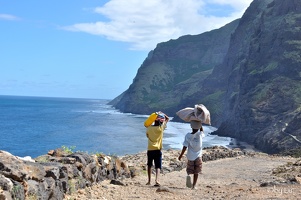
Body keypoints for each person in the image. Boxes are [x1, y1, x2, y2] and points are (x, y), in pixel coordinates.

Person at [178, 120, 204, 189]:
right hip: (198, 156)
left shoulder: (188, 135)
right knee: (197, 171)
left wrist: (181, 155)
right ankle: (194, 185)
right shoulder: (200, 135)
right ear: (198, 127)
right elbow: (202, 131)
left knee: (189, 169)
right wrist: (199, 123)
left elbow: (185, 146)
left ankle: (188, 177)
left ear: (191, 127)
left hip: (190, 156)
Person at [145, 111, 169, 187]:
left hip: (150, 149)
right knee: (158, 166)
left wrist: (156, 114)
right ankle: (157, 180)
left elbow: (147, 136)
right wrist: (162, 113)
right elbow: (167, 119)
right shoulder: (161, 128)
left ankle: (149, 181)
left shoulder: (149, 128)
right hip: (158, 150)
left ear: (154, 120)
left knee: (149, 165)